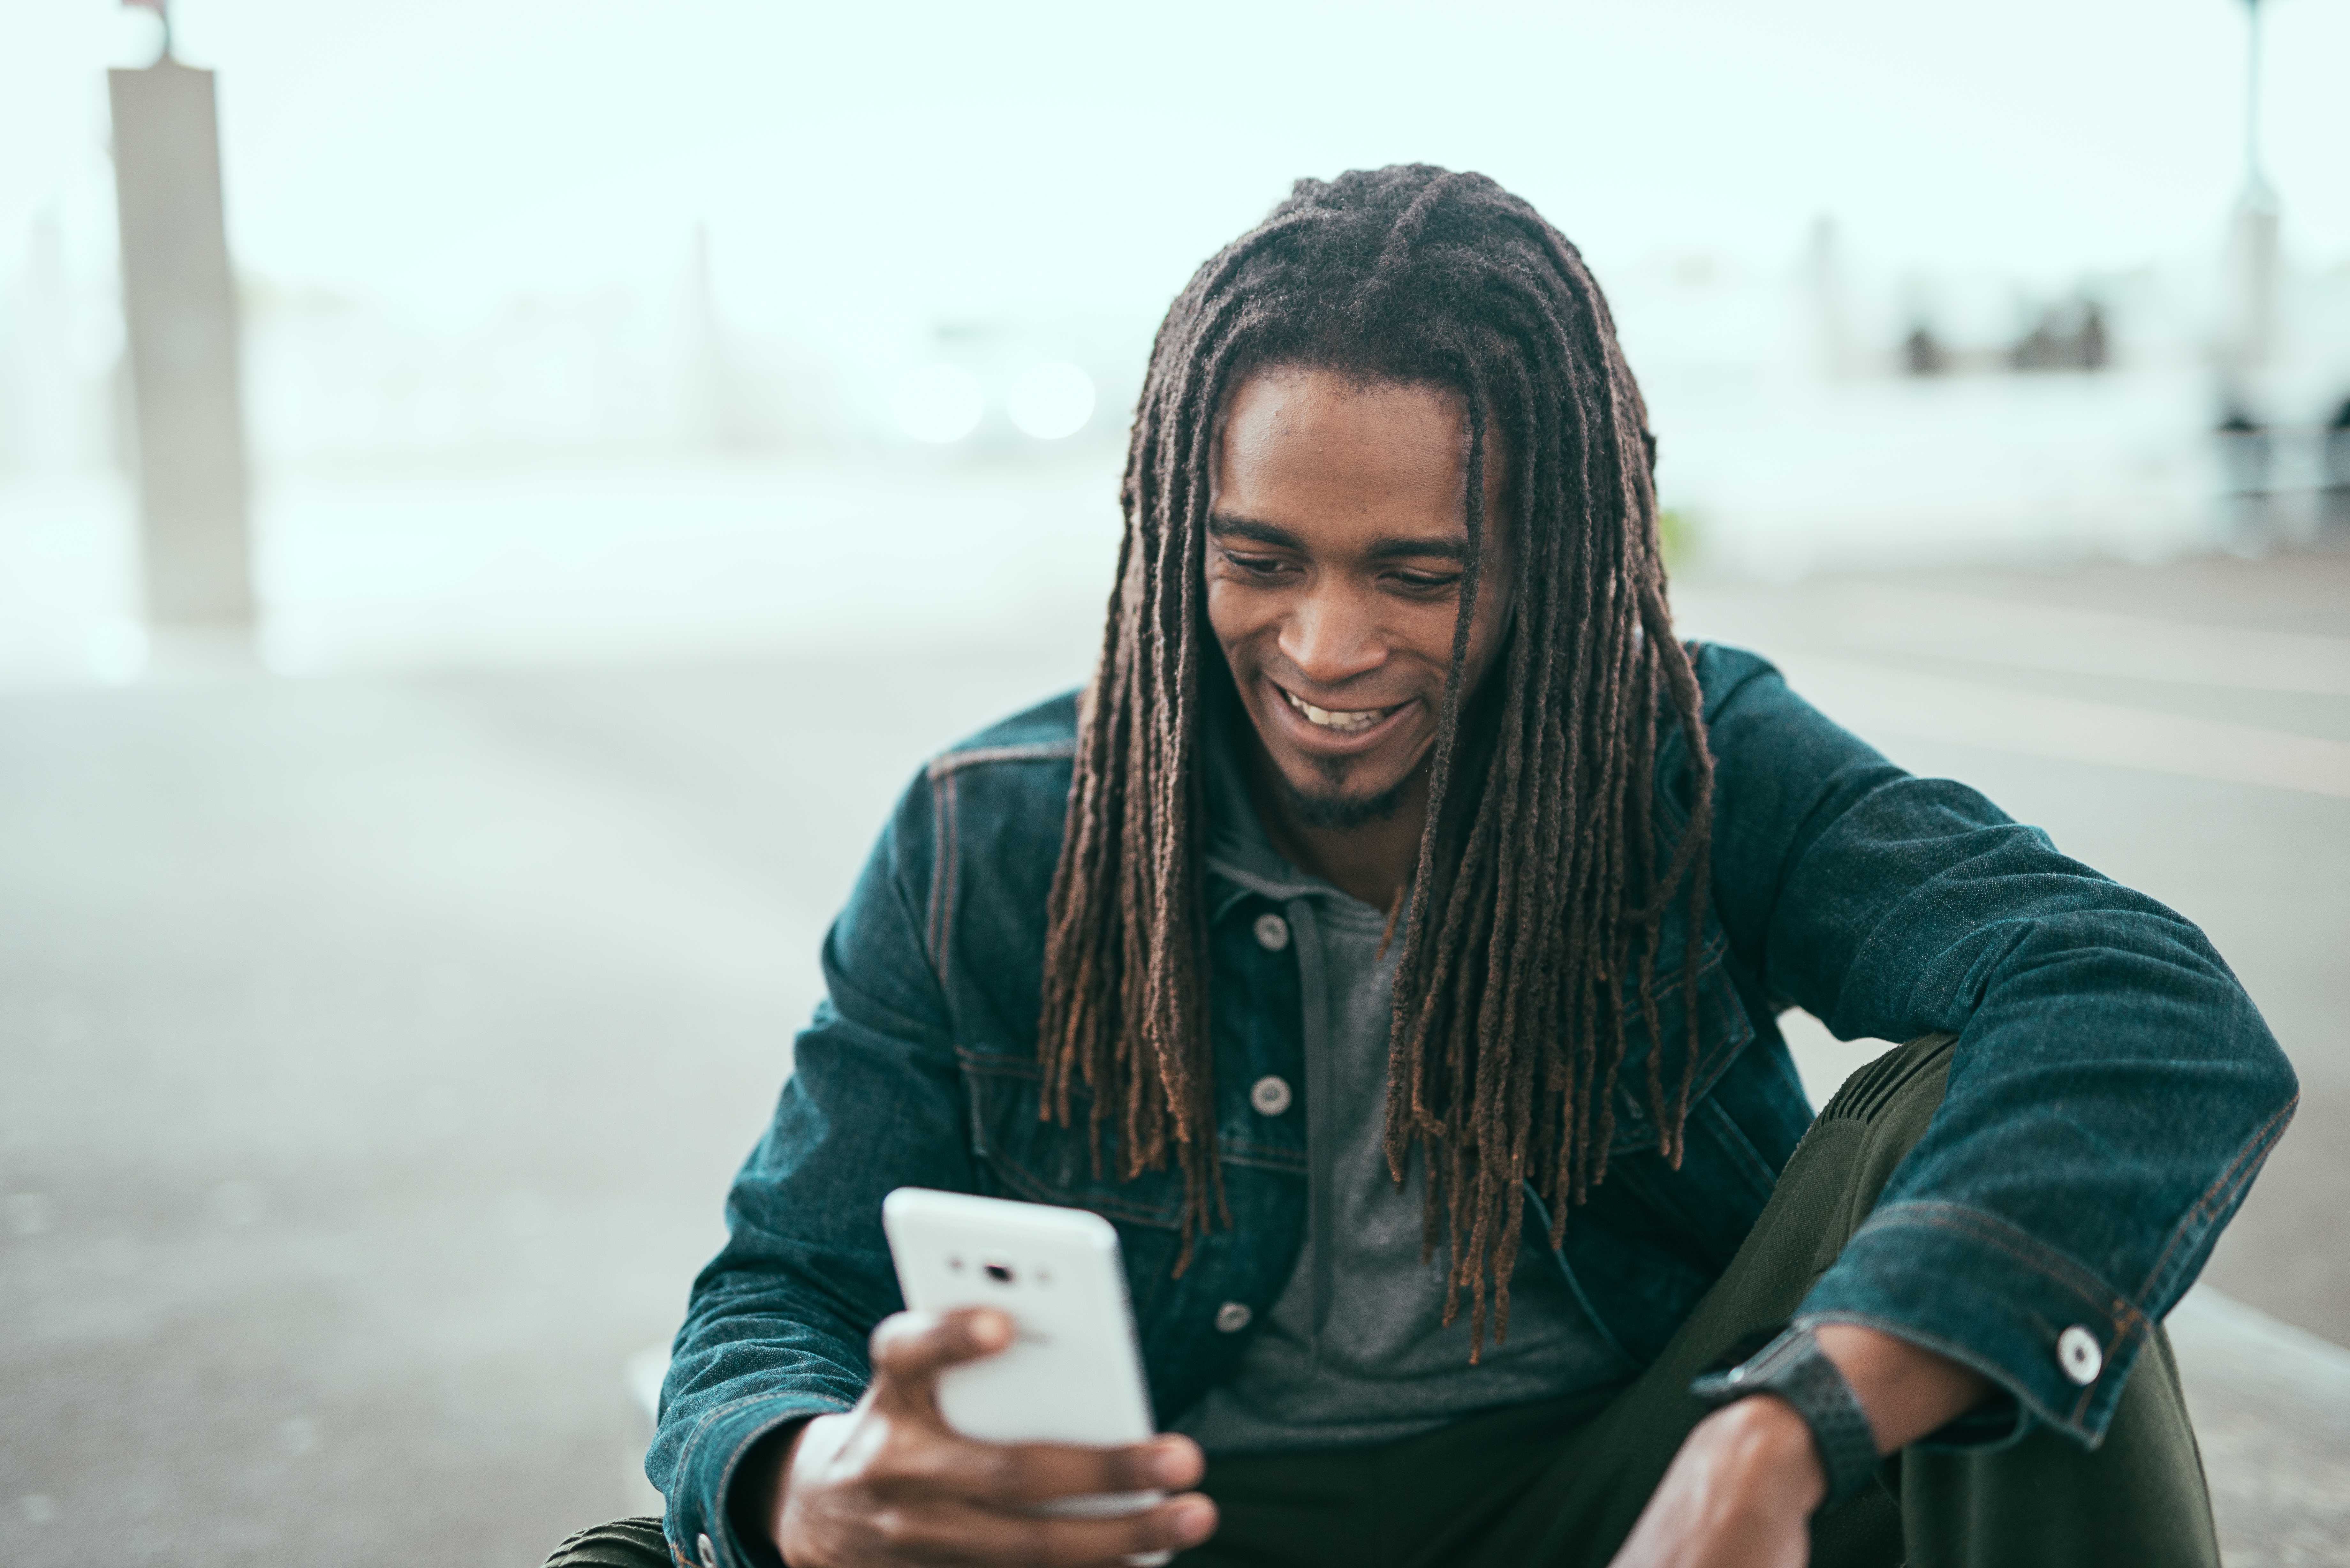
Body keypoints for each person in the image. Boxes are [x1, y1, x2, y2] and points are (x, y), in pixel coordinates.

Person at [546, 166, 2296, 1568]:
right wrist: (809, 1478)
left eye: (1418, 573)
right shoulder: (989, 833)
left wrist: (1790, 1431)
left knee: (2012, 1200)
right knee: (642, 1556)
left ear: (1550, 550)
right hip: (1173, 1518)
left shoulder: (1685, 759)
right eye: (1261, 560)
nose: (1327, 644)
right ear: (1177, 533)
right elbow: (775, 1294)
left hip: (1630, 1496)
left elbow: (2145, 1012)